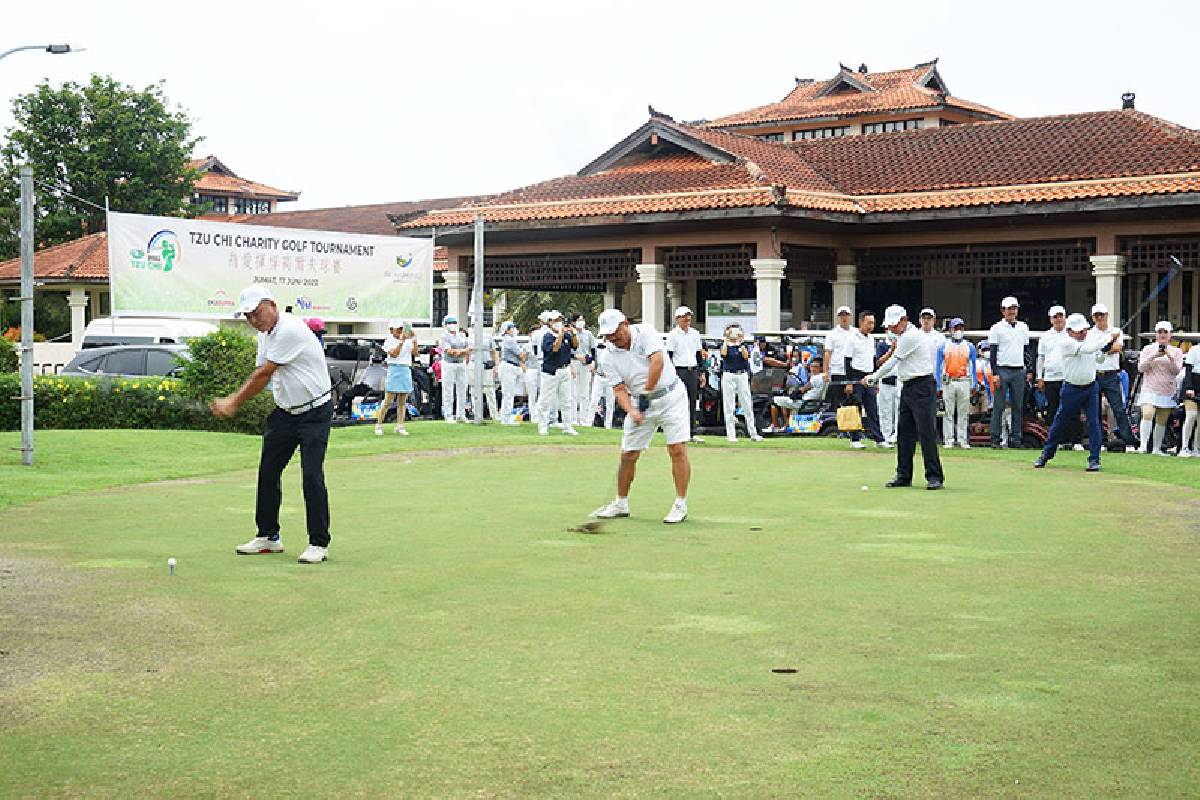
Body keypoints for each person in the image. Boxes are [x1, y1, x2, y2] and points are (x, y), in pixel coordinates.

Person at [211, 286, 334, 564]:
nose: (254, 321)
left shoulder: (289, 329)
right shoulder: (265, 336)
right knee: (268, 472)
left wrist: (233, 401)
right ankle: (268, 536)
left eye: (257, 313)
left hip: (315, 412)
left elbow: (264, 375)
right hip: (286, 413)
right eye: (248, 317)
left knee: (311, 475)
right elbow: (263, 371)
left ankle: (318, 543)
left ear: (273, 306)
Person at [590, 309, 691, 524]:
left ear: (625, 323)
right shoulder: (607, 355)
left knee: (677, 449)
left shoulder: (645, 332)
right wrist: (632, 410)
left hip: (671, 396)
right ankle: (620, 503)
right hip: (640, 402)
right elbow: (618, 389)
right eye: (607, 336)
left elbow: (657, 362)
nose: (612, 339)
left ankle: (680, 504)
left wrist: (647, 390)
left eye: (615, 333)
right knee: (628, 454)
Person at [863, 305, 944, 490]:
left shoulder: (912, 336)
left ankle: (934, 476)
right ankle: (903, 475)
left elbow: (893, 362)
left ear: (904, 320)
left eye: (893, 324)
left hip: (923, 386)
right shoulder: (900, 336)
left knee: (926, 433)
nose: (890, 328)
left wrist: (873, 377)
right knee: (904, 433)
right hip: (908, 386)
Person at [1034, 314, 1118, 471]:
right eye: (1079, 331)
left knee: (1094, 423)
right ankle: (1046, 454)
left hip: (1091, 387)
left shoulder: (1090, 340)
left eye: (1084, 330)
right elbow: (1087, 350)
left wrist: (1105, 350)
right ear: (1070, 331)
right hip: (1071, 389)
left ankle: (1094, 459)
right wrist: (1108, 338)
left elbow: (1098, 359)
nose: (1083, 333)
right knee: (1060, 421)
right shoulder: (1066, 343)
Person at [1089, 303, 1137, 450]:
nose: (1099, 318)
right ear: (1093, 318)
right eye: (1097, 315)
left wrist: (1102, 348)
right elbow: (1091, 350)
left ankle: (1128, 440)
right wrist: (1107, 342)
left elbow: (1117, 348)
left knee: (1118, 408)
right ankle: (1099, 441)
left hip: (1111, 375)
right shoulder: (1090, 333)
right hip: (1094, 374)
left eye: (1102, 315)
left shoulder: (1116, 331)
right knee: (1094, 409)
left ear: (1107, 316)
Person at [987, 296, 1030, 448]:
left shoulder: (1023, 327)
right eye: (1009, 309)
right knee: (998, 406)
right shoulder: (996, 328)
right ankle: (995, 439)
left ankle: (1016, 439)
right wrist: (995, 373)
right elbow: (993, 353)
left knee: (1018, 406)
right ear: (1003, 311)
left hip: (1018, 370)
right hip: (1002, 369)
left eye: (1014, 308)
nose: (1012, 311)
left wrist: (1028, 369)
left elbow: (1026, 350)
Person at [1136, 321, 1184, 455]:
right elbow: (1141, 368)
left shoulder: (1177, 351)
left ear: (1170, 335)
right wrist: (1155, 355)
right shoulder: (1147, 349)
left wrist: (1169, 355)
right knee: (1147, 414)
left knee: (1161, 420)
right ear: (1156, 334)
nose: (1162, 335)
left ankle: (1156, 448)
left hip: (1167, 390)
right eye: (1160, 332)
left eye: (1165, 332)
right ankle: (1143, 446)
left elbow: (1176, 371)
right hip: (1149, 389)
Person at [842, 311, 883, 448]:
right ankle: (855, 439)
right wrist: (849, 382)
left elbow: (872, 360)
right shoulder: (852, 338)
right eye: (869, 322)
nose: (871, 325)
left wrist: (875, 379)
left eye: (873, 323)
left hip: (868, 376)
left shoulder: (871, 339)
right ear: (861, 322)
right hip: (855, 376)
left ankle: (879, 439)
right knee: (855, 407)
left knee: (872, 408)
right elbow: (847, 360)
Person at [1036, 306, 1074, 451]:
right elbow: (1041, 358)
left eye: (1060, 316)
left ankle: (1071, 440)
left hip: (1068, 377)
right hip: (1051, 378)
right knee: (1053, 410)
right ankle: (1055, 440)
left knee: (1069, 409)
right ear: (1051, 319)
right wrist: (1040, 377)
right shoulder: (1045, 336)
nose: (1058, 319)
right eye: (1055, 317)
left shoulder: (1071, 334)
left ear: (1065, 317)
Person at [666, 305, 705, 442]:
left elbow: (698, 355)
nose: (687, 319)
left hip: (692, 370)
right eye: (684, 317)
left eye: (689, 317)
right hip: (679, 371)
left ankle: (691, 433)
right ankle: (678, 433)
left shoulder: (695, 333)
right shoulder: (673, 335)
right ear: (678, 319)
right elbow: (669, 356)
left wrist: (702, 373)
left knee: (692, 401)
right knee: (678, 403)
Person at [537, 310, 580, 436]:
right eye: (556, 321)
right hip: (551, 371)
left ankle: (568, 426)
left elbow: (575, 346)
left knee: (567, 400)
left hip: (564, 370)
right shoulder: (547, 337)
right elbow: (554, 349)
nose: (558, 323)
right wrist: (561, 335)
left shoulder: (566, 335)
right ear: (550, 323)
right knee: (545, 400)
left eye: (560, 320)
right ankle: (543, 426)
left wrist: (573, 334)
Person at [720, 324, 763, 442]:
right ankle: (731, 434)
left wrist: (741, 341)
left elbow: (746, 356)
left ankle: (753, 433)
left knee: (747, 404)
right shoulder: (725, 345)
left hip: (741, 375)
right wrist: (726, 338)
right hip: (729, 375)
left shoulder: (743, 346)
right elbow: (723, 354)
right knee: (729, 405)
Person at [939, 318, 978, 448]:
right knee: (948, 412)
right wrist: (939, 384)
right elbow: (938, 366)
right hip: (948, 381)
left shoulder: (970, 346)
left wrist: (974, 384)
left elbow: (973, 366)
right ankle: (948, 440)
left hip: (964, 381)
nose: (958, 331)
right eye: (956, 328)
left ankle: (962, 440)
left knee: (963, 413)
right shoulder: (943, 346)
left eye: (960, 328)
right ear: (950, 330)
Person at [376, 319, 416, 436]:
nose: (400, 331)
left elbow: (415, 352)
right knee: (388, 401)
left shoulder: (407, 341)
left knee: (402, 401)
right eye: (397, 329)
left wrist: (414, 339)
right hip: (394, 369)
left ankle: (400, 426)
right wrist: (401, 342)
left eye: (401, 329)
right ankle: (378, 425)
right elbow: (394, 354)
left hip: (405, 369)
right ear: (391, 330)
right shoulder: (389, 341)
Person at [438, 315, 469, 423]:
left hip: (461, 364)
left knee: (462, 389)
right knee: (448, 390)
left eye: (454, 323)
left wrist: (459, 352)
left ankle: (461, 414)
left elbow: (469, 348)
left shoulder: (462, 336)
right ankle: (448, 415)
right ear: (445, 325)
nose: (452, 325)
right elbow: (449, 351)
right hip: (448, 364)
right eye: (449, 323)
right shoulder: (443, 336)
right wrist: (462, 351)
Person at [468, 322, 500, 422]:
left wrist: (496, 365)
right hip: (474, 364)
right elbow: (467, 353)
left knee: (490, 390)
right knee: (474, 390)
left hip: (486, 364)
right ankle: (476, 414)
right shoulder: (470, 338)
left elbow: (494, 351)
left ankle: (494, 415)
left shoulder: (488, 337)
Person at [497, 320, 526, 425]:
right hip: (508, 367)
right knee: (508, 394)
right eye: (512, 328)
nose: (514, 330)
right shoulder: (509, 340)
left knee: (509, 393)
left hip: (511, 367)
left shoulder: (510, 340)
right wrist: (524, 351)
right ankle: (506, 418)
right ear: (507, 330)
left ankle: (506, 417)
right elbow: (521, 355)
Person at [571, 314, 596, 427]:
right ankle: (573, 419)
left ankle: (584, 419)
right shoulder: (570, 334)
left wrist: (593, 362)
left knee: (585, 392)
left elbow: (593, 350)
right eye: (579, 320)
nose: (581, 322)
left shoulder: (588, 334)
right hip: (574, 363)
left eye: (582, 319)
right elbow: (568, 351)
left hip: (586, 364)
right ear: (574, 322)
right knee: (574, 392)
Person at [874, 335, 899, 448]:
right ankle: (886, 435)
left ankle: (898, 435)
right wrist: (891, 350)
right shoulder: (882, 345)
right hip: (885, 381)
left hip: (899, 381)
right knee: (886, 410)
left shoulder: (903, 342)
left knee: (898, 410)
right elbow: (879, 363)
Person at [590, 340, 617, 429]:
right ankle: (589, 422)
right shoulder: (599, 348)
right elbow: (595, 360)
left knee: (610, 402)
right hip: (599, 376)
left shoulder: (615, 350)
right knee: (594, 400)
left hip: (610, 377)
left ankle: (608, 425)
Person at [1179, 344, 1200, 457]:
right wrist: (1189, 387)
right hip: (1192, 384)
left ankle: (1197, 448)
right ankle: (1184, 447)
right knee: (1191, 416)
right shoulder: (1194, 349)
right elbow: (1188, 370)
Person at [918, 308, 946, 381]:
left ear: (934, 320)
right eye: (923, 318)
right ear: (919, 320)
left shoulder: (940, 337)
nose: (926, 320)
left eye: (929, 318)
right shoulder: (914, 336)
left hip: (935, 376)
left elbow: (944, 358)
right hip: (918, 377)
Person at [523, 321, 542, 423]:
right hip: (531, 370)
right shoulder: (527, 346)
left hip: (541, 371)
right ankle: (533, 417)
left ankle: (540, 415)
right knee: (532, 395)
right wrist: (526, 370)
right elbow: (522, 359)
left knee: (542, 393)